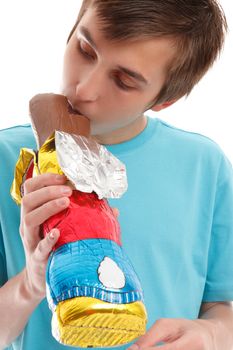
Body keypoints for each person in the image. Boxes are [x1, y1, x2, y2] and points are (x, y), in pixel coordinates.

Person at [0, 0, 232, 349]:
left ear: (165, 99)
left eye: (123, 81)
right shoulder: (8, 157)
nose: (83, 90)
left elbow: (220, 306)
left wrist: (213, 334)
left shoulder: (204, 166)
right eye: (85, 49)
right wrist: (30, 284)